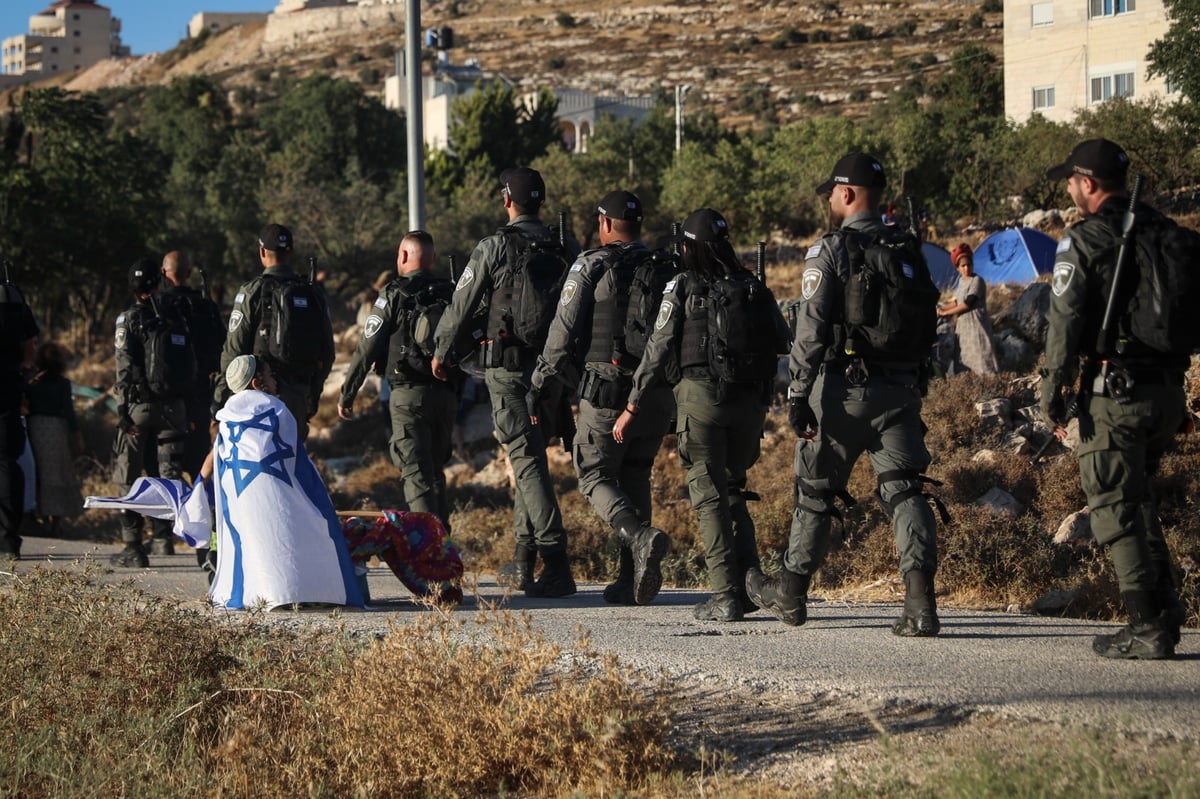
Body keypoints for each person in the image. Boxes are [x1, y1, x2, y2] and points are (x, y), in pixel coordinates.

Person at [747, 153, 942, 636]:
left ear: (847, 194)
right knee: (904, 490)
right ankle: (920, 605)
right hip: (900, 390)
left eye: (832, 192)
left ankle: (790, 593)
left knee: (815, 493)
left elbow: (810, 329)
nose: (829, 200)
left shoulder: (830, 249)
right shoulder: (908, 248)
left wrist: (796, 392)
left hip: (842, 393)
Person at [1041, 138, 1188, 660]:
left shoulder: (1086, 239)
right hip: (1169, 391)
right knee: (1138, 499)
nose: (1069, 190)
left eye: (1071, 181)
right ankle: (1166, 609)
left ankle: (1146, 625)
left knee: (1112, 506)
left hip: (1116, 395)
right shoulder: (1166, 232)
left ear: (1087, 184)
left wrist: (1051, 392)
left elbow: (1063, 325)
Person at [613, 208, 788, 621]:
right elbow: (783, 339)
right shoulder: (750, 283)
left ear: (688, 247)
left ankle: (724, 594)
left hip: (701, 400)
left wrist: (633, 405)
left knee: (709, 498)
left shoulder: (682, 284)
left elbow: (657, 350)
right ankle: (751, 584)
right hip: (750, 404)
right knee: (734, 490)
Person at [430, 166, 580, 598]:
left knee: (528, 460)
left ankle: (556, 561)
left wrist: (442, 351)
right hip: (553, 369)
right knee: (527, 455)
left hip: (509, 367)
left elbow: (461, 305)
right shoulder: (564, 244)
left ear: (506, 200)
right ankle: (522, 558)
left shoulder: (495, 246)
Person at [531, 190, 673, 606]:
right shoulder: (665, 266)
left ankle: (640, 538)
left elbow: (562, 331)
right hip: (656, 395)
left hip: (607, 391)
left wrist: (541, 382)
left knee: (594, 475)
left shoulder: (591, 264)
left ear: (605, 224)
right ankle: (630, 579)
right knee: (636, 474)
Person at [338, 231, 459, 530]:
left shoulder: (394, 292)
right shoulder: (451, 291)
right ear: (431, 257)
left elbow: (367, 347)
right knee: (436, 471)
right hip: (445, 395)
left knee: (416, 475)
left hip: (407, 397)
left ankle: (428, 550)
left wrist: (347, 393)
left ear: (403, 256)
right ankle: (445, 544)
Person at [213, 224, 334, 442]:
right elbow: (327, 354)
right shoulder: (311, 293)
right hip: (298, 396)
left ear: (262, 252)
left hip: (257, 399)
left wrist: (221, 400)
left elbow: (233, 352)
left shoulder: (252, 292)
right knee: (292, 465)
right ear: (291, 251)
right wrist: (311, 395)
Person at [111, 259, 190, 566]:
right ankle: (164, 538)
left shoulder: (128, 319)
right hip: (173, 408)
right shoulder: (174, 316)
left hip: (138, 408)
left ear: (132, 287)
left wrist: (122, 409)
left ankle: (133, 546)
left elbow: (124, 366)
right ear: (158, 284)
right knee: (168, 474)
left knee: (127, 473)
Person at [160, 251, 226, 479]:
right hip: (199, 392)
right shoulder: (205, 306)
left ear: (163, 272)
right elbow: (222, 348)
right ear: (189, 273)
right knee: (199, 464)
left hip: (165, 398)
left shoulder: (158, 307)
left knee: (166, 467)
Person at [25, 342, 83, 534]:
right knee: (57, 473)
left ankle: (38, 516)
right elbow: (69, 411)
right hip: (56, 430)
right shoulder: (63, 384)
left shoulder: (32, 383)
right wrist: (76, 435)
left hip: (35, 428)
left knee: (39, 473)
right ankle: (56, 522)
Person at [0, 274, 38, 560]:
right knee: (8, 463)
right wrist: (23, 371)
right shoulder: (13, 300)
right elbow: (29, 348)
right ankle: (9, 540)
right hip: (7, 387)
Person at [937, 243, 999, 375]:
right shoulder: (961, 282)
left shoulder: (977, 281)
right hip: (963, 330)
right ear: (958, 268)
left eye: (968, 265)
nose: (966, 268)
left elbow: (967, 303)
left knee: (983, 361)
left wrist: (945, 312)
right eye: (963, 266)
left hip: (977, 327)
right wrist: (939, 310)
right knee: (965, 363)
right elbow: (955, 301)